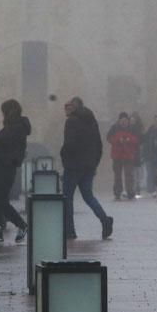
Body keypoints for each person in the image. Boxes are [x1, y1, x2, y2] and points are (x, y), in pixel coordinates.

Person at [59, 97, 114, 240]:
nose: (68, 108)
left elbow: (69, 144)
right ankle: (105, 219)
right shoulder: (91, 121)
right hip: (88, 166)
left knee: (67, 198)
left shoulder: (71, 121)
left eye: (70, 105)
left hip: (73, 166)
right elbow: (99, 145)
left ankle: (69, 230)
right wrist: (94, 163)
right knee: (88, 196)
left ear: (75, 107)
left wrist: (63, 156)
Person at [0, 99, 29, 243]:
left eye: (4, 112)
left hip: (6, 168)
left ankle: (21, 225)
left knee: (0, 201)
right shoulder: (13, 126)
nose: (2, 115)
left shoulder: (17, 127)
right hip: (2, 167)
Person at [107, 113, 139, 201]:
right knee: (117, 175)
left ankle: (130, 192)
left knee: (129, 175)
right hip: (117, 155)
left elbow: (137, 139)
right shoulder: (114, 128)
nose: (124, 122)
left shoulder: (132, 128)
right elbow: (109, 138)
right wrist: (118, 140)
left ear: (127, 121)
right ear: (119, 120)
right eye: (122, 120)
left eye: (125, 120)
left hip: (128, 155)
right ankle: (117, 193)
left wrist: (129, 139)